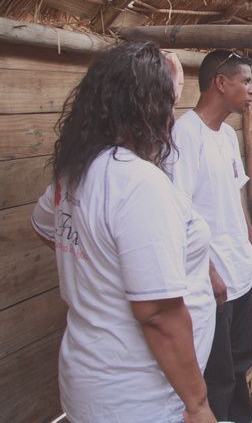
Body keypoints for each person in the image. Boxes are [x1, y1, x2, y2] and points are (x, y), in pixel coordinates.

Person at [30, 42, 216, 423]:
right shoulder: (137, 183)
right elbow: (158, 314)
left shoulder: (77, 171)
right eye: (168, 101)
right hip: (142, 396)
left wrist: (100, 262)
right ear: (148, 109)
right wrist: (197, 404)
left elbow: (46, 227)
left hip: (92, 379)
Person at [167, 49, 252, 423]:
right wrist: (208, 273)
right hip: (214, 280)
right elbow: (179, 215)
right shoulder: (183, 136)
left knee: (240, 361)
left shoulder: (226, 134)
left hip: (240, 269)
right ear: (220, 83)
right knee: (218, 373)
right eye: (246, 81)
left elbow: (235, 191)